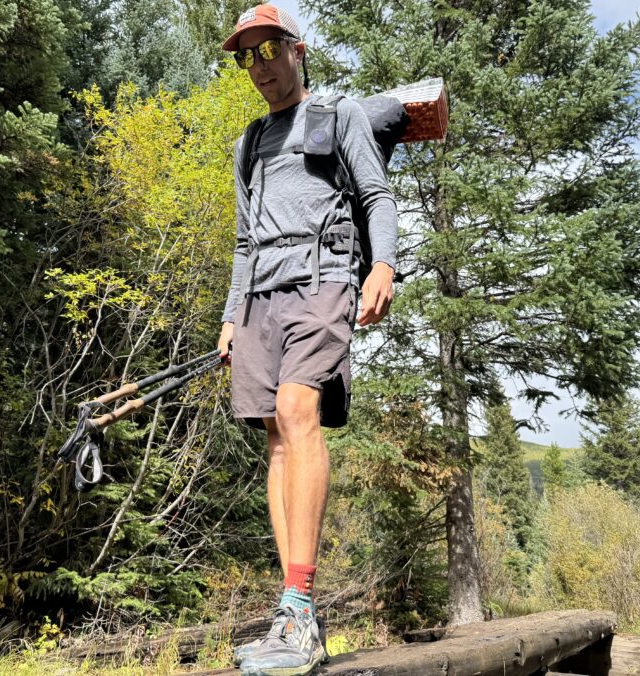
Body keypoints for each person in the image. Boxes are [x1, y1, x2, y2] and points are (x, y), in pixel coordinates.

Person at [216, 4, 397, 674]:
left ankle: (298, 605)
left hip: (323, 280)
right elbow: (242, 240)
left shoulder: (338, 114)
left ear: (297, 50)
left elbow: (376, 197)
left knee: (299, 412)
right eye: (247, 57)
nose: (259, 67)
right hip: (261, 294)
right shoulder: (248, 143)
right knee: (273, 434)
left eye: (269, 51)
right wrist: (233, 314)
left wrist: (383, 264)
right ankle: (297, 620)